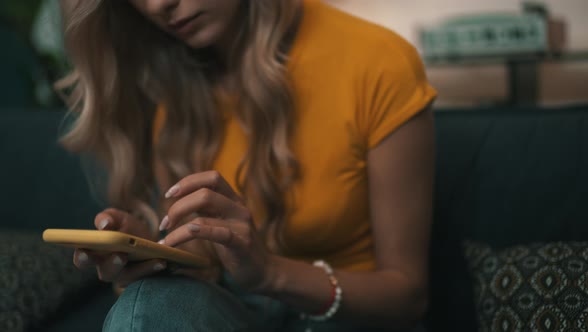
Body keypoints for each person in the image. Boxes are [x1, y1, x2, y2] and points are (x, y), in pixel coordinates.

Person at [60, 0, 437, 331]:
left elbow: (408, 298)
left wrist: (271, 273)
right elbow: (208, 275)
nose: (158, 4)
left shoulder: (378, 61)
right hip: (240, 314)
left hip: (352, 322)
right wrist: (156, 253)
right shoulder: (176, 86)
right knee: (152, 304)